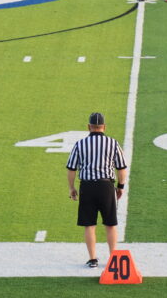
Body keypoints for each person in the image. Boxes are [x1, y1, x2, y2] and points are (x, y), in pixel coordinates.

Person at [65, 112, 128, 269]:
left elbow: (71, 168)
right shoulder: (113, 143)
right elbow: (121, 168)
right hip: (106, 186)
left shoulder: (80, 144)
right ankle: (113, 259)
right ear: (104, 127)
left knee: (89, 225)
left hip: (87, 187)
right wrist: (120, 186)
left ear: (89, 127)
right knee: (110, 224)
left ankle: (93, 259)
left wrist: (71, 188)